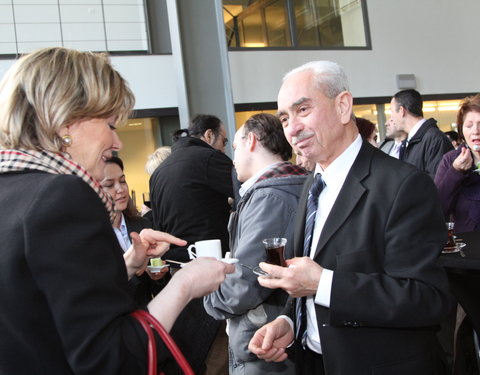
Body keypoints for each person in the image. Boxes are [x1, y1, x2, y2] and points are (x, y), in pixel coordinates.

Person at [0, 47, 234, 375]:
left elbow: (40, 307)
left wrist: (124, 266)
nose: (117, 143)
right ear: (66, 120)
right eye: (110, 124)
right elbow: (113, 359)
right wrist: (186, 285)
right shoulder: (62, 195)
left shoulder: (12, 189)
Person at [247, 61, 453, 375]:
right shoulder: (311, 185)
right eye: (285, 118)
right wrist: (291, 320)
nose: (292, 128)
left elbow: (427, 299)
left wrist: (322, 283)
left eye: (303, 109)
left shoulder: (403, 185)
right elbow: (310, 273)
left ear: (343, 106)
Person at [204, 113, 307, 375]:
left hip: (263, 341)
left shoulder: (271, 197)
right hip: (273, 332)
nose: (233, 158)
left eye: (235, 147)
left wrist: (208, 294)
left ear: (251, 140)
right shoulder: (287, 187)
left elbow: (248, 280)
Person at [149, 114, 234, 374]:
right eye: (223, 141)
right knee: (216, 359)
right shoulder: (209, 158)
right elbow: (247, 193)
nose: (224, 148)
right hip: (208, 274)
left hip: (174, 273)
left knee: (185, 354)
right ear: (208, 136)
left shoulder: (159, 172)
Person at [102, 156, 169, 306]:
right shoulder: (90, 236)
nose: (120, 189)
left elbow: (157, 290)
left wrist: (158, 277)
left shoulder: (142, 225)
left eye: (122, 181)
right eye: (109, 184)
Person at [435, 94, 480, 233]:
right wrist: (455, 172)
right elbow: (438, 209)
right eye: (469, 126)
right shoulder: (450, 160)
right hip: (467, 246)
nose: (475, 131)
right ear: (461, 130)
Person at [389, 89, 453, 178]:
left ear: (401, 111)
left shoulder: (435, 139)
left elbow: (438, 182)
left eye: (391, 112)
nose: (391, 118)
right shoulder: (409, 141)